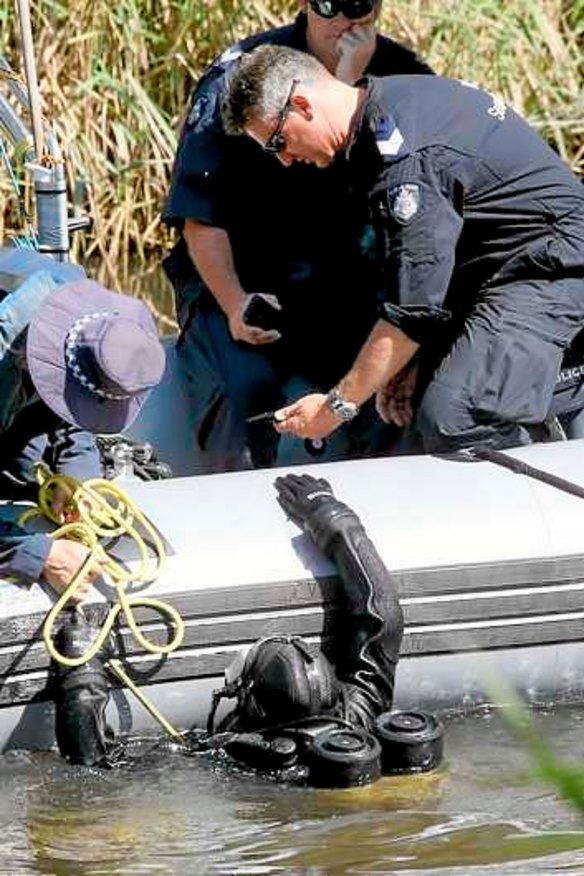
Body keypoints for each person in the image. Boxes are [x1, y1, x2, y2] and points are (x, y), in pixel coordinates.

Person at [221, 45, 584, 454]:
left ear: (302, 105)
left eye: (277, 142)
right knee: (417, 396)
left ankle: (542, 507)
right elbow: (422, 276)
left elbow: (413, 310)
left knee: (456, 416)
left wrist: (333, 408)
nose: (285, 160)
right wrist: (413, 361)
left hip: (554, 266)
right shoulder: (387, 108)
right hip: (503, 272)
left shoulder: (404, 159)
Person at [163, 0, 433, 471]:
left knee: (391, 381)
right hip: (244, 286)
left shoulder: (404, 77)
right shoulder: (242, 78)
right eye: (330, 4)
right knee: (243, 384)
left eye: (360, 4)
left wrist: (347, 88)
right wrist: (233, 304)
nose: (346, 20)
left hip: (347, 284)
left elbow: (424, 224)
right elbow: (201, 217)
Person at [50, 473, 442, 785]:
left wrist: (80, 669)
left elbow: (95, 772)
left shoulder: (232, 753)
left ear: (249, 698)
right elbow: (382, 617)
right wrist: (333, 519)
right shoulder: (359, 713)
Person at [0, 268, 167, 599]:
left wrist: (78, 483)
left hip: (18, 396)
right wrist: (39, 555)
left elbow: (76, 418)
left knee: (30, 472)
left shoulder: (86, 322)